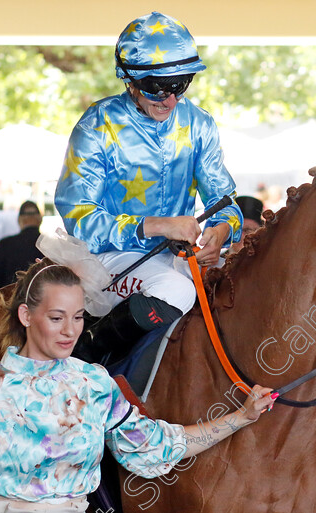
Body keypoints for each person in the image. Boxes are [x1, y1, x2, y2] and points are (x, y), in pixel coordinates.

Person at [0, 261, 276, 513]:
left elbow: (156, 445)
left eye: (79, 317)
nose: (70, 331)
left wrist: (241, 417)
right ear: (25, 316)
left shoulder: (94, 383)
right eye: (56, 317)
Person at [54, 11, 243, 356]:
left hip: (179, 256)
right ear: (130, 80)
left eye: (180, 84)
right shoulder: (99, 123)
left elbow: (225, 201)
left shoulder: (199, 124)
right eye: (157, 87)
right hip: (106, 258)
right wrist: (156, 226)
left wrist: (221, 232)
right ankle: (86, 363)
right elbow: (79, 217)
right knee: (177, 291)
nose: (170, 99)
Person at [0, 201, 45, 299]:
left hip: (11, 308)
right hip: (42, 308)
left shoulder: (1, 246)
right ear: (40, 219)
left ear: (19, 220)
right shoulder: (53, 247)